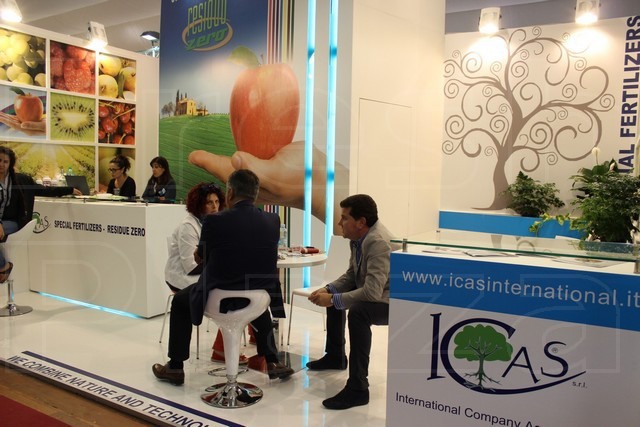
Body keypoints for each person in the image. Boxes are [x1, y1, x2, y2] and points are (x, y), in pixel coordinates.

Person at [152, 169, 294, 385]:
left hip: (219, 297)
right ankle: (272, 361)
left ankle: (175, 367)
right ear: (256, 194)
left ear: (230, 193)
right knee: (255, 297)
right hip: (259, 296)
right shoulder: (273, 220)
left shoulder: (215, 221)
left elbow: (200, 257)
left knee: (180, 302)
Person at [307, 194, 395, 410]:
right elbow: (352, 275)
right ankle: (336, 356)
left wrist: (333, 298)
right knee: (337, 294)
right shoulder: (359, 238)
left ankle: (358, 388)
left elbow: (372, 292)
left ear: (361, 222)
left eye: (344, 218)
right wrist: (329, 290)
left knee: (357, 312)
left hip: (394, 302)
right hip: (379, 294)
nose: (339, 223)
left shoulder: (377, 242)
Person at [0, 146, 82, 282]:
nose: (2, 165)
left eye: (5, 161)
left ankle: (3, 266)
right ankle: (3, 266)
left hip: (16, 222)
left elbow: (45, 190)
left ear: (10, 163)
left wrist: (69, 189)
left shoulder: (22, 180)